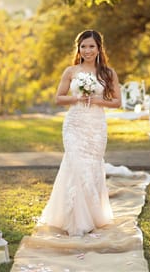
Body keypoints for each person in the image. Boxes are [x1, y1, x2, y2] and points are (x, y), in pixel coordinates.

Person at [39, 30, 122, 236]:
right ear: (78, 48)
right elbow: (59, 98)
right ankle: (73, 219)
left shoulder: (108, 73)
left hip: (95, 127)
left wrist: (97, 101)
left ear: (99, 48)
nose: (87, 50)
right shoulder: (71, 71)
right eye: (83, 46)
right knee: (75, 165)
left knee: (91, 168)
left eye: (91, 46)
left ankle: (93, 216)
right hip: (74, 125)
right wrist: (77, 98)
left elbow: (117, 102)